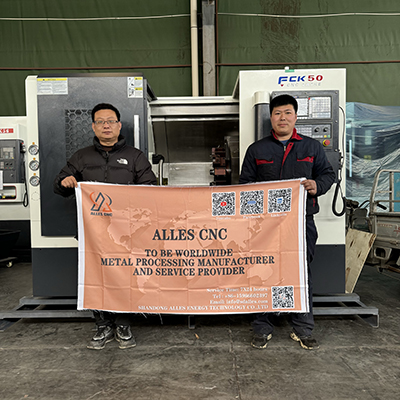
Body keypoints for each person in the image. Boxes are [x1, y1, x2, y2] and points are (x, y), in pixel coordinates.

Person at [54, 103, 157, 350]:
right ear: (93, 127)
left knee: (124, 276)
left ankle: (123, 324)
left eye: (110, 121)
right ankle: (102, 325)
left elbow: (151, 188)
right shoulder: (81, 157)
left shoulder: (135, 156)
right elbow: (59, 184)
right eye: (100, 122)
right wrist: (65, 181)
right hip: (92, 233)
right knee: (95, 277)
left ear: (119, 125)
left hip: (125, 233)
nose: (106, 126)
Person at [239, 94, 335, 350]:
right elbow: (245, 184)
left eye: (288, 113)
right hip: (265, 226)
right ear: (271, 117)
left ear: (295, 116)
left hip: (301, 222)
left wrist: (317, 185)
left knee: (300, 272)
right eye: (278, 113)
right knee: (263, 271)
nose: (283, 118)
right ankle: (262, 326)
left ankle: (302, 328)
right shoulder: (257, 150)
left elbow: (327, 174)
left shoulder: (311, 147)